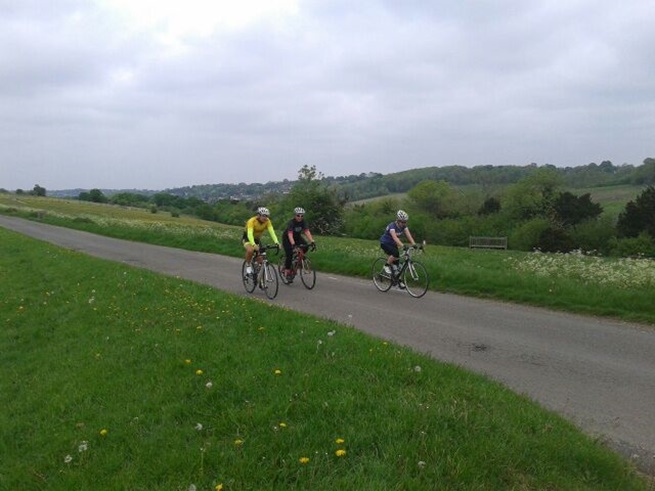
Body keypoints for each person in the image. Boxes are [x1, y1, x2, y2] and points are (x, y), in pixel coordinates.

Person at [379, 210, 416, 288]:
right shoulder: (392, 226)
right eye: (402, 222)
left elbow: (409, 236)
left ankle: (397, 281)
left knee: (396, 263)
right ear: (398, 221)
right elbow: (395, 238)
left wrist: (414, 244)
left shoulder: (404, 227)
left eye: (405, 222)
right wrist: (403, 246)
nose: (404, 224)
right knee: (395, 253)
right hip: (385, 243)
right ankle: (386, 265)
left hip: (393, 244)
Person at [242, 207, 279, 275]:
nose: (265, 218)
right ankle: (248, 265)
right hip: (247, 238)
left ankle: (259, 277)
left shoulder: (267, 221)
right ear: (258, 215)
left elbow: (272, 232)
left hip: (257, 240)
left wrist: (276, 242)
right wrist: (253, 245)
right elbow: (250, 234)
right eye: (263, 216)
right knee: (250, 250)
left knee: (261, 259)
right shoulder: (252, 221)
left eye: (267, 216)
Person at [282, 207, 316, 281]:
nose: (300, 217)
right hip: (287, 238)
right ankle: (287, 270)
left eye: (302, 216)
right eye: (298, 215)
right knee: (289, 254)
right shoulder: (291, 223)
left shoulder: (303, 222)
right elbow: (290, 234)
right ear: (295, 215)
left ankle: (297, 260)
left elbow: (307, 231)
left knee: (306, 247)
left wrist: (312, 241)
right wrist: (293, 245)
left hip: (297, 237)